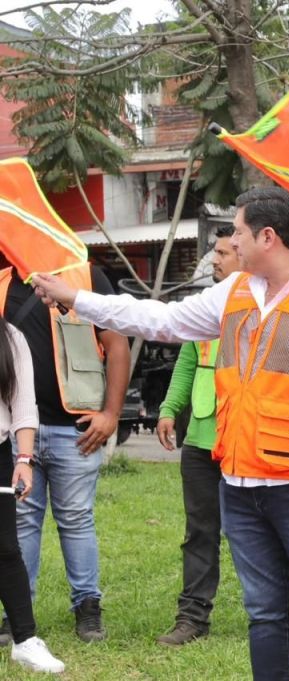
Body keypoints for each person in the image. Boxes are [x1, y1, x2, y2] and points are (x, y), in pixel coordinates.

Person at [31, 186, 289, 681]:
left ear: (268, 237)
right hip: (240, 485)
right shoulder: (236, 290)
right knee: (265, 615)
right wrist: (77, 299)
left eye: (238, 232)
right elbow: (162, 320)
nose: (231, 243)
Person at [0, 258, 129, 643]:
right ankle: (18, 613)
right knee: (22, 520)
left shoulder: (83, 275)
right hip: (18, 430)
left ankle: (87, 607)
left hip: (74, 427)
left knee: (75, 518)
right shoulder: (3, 281)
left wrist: (111, 414)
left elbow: (116, 345)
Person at [153, 225, 240, 646]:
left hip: (245, 439)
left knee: (259, 533)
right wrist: (169, 410)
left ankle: (273, 614)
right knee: (200, 531)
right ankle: (192, 617)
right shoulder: (205, 307)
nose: (215, 260)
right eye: (215, 253)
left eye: (223, 253)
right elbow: (188, 362)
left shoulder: (265, 304)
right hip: (202, 439)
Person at [0, 315, 64, 672]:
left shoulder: (10, 337)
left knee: (6, 548)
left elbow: (23, 404)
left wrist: (24, 458)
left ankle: (25, 640)